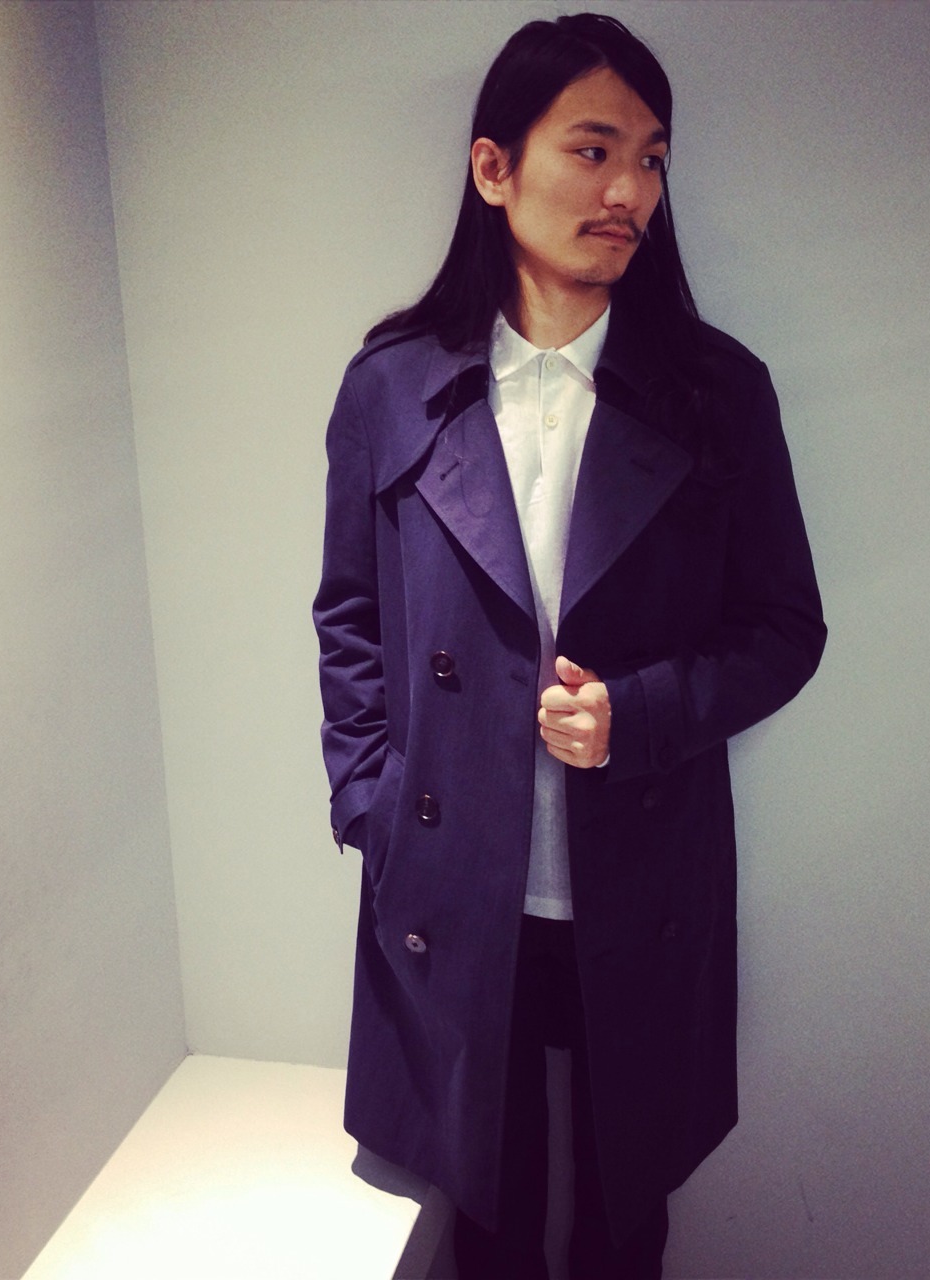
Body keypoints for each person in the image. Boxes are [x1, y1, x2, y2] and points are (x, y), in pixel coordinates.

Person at [313, 13, 825, 1278]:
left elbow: (782, 629)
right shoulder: (391, 385)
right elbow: (348, 614)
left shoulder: (717, 391)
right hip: (449, 880)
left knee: (621, 1221)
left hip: (641, 880)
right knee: (481, 1220)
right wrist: (372, 800)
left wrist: (635, 715)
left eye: (651, 159)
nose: (629, 191)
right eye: (593, 150)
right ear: (493, 168)